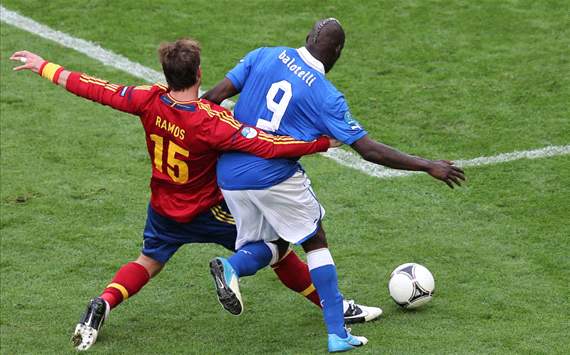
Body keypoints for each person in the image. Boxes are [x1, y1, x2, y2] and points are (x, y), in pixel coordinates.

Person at [9, 39, 346, 351]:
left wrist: (45, 66)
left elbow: (95, 88)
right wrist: (320, 143)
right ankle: (338, 308)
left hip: (164, 209)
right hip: (210, 211)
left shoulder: (148, 99)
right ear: (199, 73)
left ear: (166, 74)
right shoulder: (211, 121)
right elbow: (266, 144)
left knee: (149, 261)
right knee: (279, 249)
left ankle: (105, 302)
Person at [202, 18, 466, 352]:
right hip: (273, 176)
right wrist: (428, 165)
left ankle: (231, 266)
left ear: (308, 37)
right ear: (338, 52)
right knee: (315, 240)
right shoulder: (326, 96)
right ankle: (337, 333)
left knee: (275, 245)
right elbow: (368, 150)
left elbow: (212, 99)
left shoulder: (264, 55)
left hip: (229, 175)